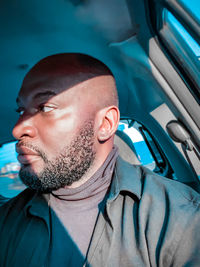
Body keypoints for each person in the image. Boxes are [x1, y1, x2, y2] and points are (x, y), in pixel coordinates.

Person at [0, 53, 200, 267]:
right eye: (21, 110)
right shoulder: (7, 220)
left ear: (105, 124)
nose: (18, 128)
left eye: (45, 108)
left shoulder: (180, 219)